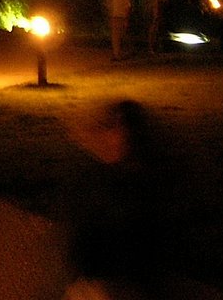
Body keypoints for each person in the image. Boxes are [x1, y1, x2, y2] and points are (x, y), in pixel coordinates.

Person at [58, 100, 174, 300]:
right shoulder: (97, 178)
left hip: (116, 284)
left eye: (117, 128)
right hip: (97, 282)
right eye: (109, 127)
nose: (113, 136)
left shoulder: (137, 185)